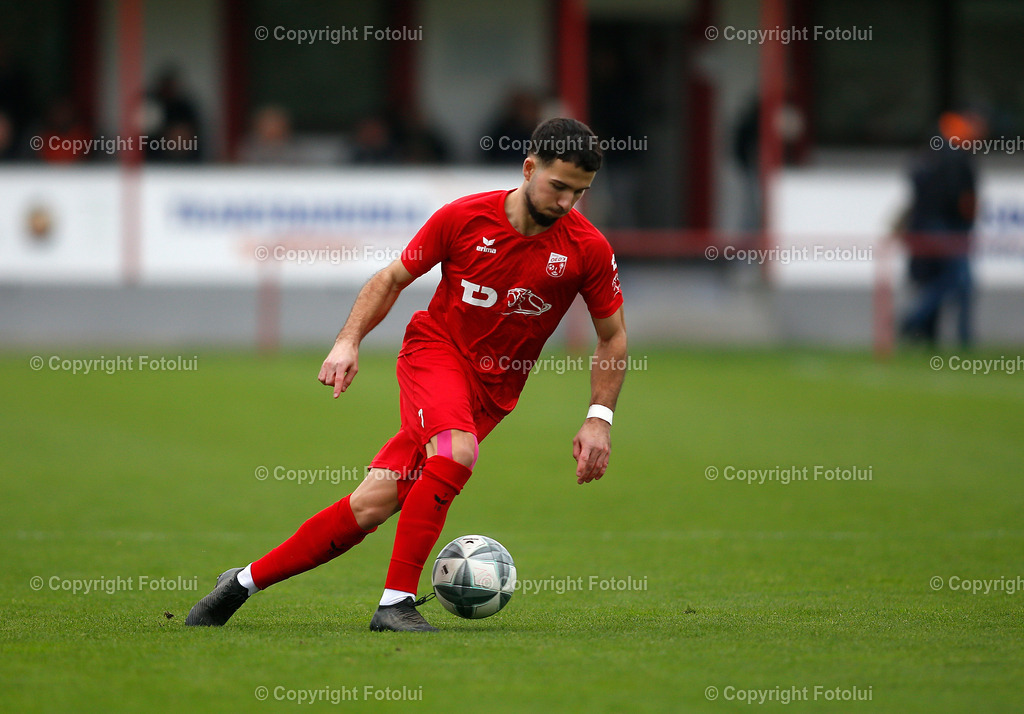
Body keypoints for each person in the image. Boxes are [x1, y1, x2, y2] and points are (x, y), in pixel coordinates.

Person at [186, 118, 628, 632]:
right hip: (434, 355)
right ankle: (393, 605)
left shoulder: (587, 248)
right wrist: (348, 340)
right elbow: (391, 278)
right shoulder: (462, 218)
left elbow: (612, 335)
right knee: (458, 452)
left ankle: (239, 584)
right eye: (558, 186)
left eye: (581, 192)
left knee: (372, 504)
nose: (567, 202)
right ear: (529, 168)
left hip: (492, 393)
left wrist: (599, 419)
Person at [899, 111, 983, 347]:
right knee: (958, 281)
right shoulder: (955, 155)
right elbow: (961, 197)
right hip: (945, 228)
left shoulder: (934, 152)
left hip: (933, 227)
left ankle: (921, 329)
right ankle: (914, 323)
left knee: (947, 280)